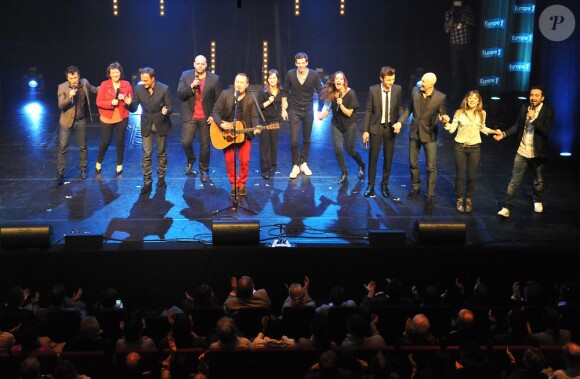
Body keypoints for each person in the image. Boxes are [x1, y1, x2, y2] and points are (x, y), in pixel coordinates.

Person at [494, 86, 554, 218]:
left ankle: (537, 200)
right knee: (514, 181)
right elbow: (517, 126)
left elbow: (546, 131)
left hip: (537, 153)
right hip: (522, 150)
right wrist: (503, 134)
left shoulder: (547, 110)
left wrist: (533, 119)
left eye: (537, 95)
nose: (533, 98)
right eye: (532, 95)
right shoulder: (524, 107)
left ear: (542, 97)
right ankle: (507, 207)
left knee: (538, 181)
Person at [398, 72, 449, 211]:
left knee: (431, 167)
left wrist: (445, 119)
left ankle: (430, 196)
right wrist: (400, 122)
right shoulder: (415, 91)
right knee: (413, 162)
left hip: (429, 135)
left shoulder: (440, 97)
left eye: (424, 81)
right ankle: (415, 187)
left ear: (431, 84)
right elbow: (409, 109)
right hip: (414, 132)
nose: (421, 82)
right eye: (421, 80)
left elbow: (443, 113)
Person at [444, 90, 499, 212]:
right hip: (460, 147)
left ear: (478, 101)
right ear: (466, 100)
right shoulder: (459, 113)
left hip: (475, 148)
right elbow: (452, 130)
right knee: (460, 176)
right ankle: (459, 199)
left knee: (471, 176)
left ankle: (468, 200)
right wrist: (445, 123)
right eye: (470, 98)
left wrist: (494, 131)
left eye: (475, 98)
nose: (472, 100)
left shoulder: (482, 113)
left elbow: (483, 128)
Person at [211, 73, 260, 197]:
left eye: (242, 82)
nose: (238, 84)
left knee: (245, 161)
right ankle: (234, 184)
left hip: (244, 133)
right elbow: (215, 112)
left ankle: (242, 184)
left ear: (247, 85)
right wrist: (221, 124)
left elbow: (254, 116)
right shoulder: (225, 94)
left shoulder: (251, 97)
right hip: (227, 134)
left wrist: (257, 126)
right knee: (229, 161)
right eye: (237, 81)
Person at [177, 55, 222, 180]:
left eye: (202, 64)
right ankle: (191, 159)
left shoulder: (214, 79)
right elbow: (180, 94)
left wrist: (214, 115)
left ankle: (204, 170)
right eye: (198, 64)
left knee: (205, 145)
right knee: (186, 142)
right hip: (190, 116)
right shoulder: (185, 76)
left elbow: (219, 100)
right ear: (194, 64)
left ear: (206, 65)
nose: (200, 66)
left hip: (206, 117)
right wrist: (191, 86)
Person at [130, 67, 173, 195]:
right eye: (142, 80)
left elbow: (170, 106)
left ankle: (161, 177)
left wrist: (166, 110)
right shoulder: (138, 89)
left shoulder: (164, 89)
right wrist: (128, 103)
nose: (144, 83)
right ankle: (147, 182)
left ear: (153, 78)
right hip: (146, 124)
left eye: (146, 80)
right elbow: (134, 107)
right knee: (146, 154)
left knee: (161, 153)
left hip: (161, 123)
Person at [362, 66, 404, 198]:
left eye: (393, 79)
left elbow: (400, 107)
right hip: (376, 127)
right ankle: (371, 185)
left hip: (390, 129)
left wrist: (400, 122)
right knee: (373, 158)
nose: (391, 82)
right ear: (381, 78)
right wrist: (365, 130)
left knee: (388, 158)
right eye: (388, 80)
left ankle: (385, 185)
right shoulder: (373, 90)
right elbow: (368, 110)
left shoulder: (397, 89)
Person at [281, 52, 323, 179]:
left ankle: (303, 163)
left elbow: (320, 92)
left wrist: (320, 110)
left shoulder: (314, 75)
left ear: (307, 62)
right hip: (294, 109)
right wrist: (284, 109)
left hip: (308, 110)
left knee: (306, 139)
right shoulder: (290, 74)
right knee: (294, 140)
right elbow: (285, 91)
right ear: (295, 64)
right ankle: (295, 165)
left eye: (302, 63)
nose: (300, 65)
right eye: (298, 63)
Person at [319, 71, 365, 185]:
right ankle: (344, 173)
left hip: (349, 125)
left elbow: (349, 113)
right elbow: (331, 104)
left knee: (350, 151)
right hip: (336, 124)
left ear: (344, 81)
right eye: (336, 79)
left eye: (341, 79)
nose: (338, 80)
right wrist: (327, 111)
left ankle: (361, 164)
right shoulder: (334, 92)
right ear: (334, 81)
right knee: (338, 149)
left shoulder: (351, 93)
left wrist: (341, 104)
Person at [55, 65, 98, 184]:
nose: (74, 80)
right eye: (71, 78)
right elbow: (61, 105)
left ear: (79, 76)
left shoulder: (84, 83)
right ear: (67, 78)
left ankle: (83, 170)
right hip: (66, 122)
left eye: (75, 77)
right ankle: (60, 173)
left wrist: (109, 86)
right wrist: (70, 96)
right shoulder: (62, 87)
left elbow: (95, 89)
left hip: (80, 120)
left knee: (83, 146)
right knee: (62, 148)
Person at [95, 61, 133, 176]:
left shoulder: (126, 84)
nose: (115, 75)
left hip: (122, 117)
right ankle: (99, 162)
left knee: (120, 141)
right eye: (113, 73)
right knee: (105, 142)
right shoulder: (104, 85)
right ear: (109, 74)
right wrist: (111, 102)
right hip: (107, 117)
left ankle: (119, 165)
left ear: (120, 72)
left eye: (117, 72)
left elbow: (130, 101)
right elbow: (98, 102)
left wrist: (127, 100)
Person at [444, 0, 475, 103]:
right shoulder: (449, 12)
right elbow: (447, 29)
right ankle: (456, 92)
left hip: (466, 44)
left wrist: (460, 15)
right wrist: (453, 15)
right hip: (454, 45)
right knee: (455, 70)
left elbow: (472, 22)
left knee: (469, 69)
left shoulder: (466, 10)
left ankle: (471, 92)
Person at [257, 69, 283, 179]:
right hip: (264, 121)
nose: (272, 80)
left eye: (274, 78)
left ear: (277, 79)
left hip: (275, 121)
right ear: (267, 79)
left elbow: (285, 103)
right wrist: (269, 101)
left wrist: (284, 110)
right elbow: (258, 107)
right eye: (270, 78)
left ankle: (272, 164)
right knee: (265, 145)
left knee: (273, 143)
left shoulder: (281, 92)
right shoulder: (263, 92)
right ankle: (265, 170)